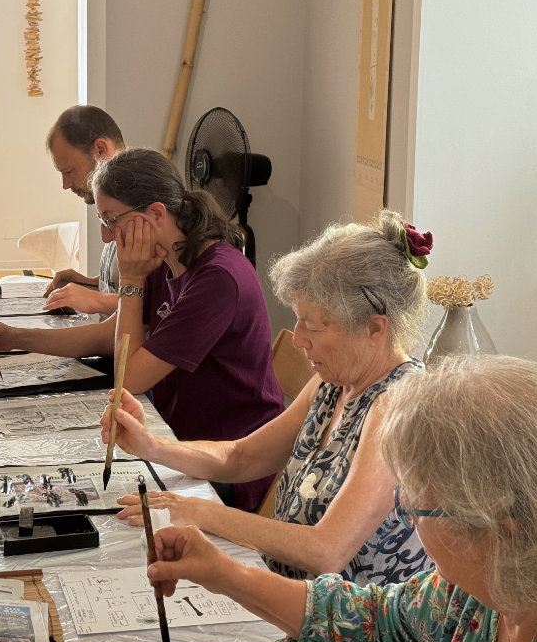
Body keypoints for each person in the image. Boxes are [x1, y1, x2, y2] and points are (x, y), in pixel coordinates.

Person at [145, 355, 537, 642]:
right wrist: (222, 572)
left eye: (414, 505)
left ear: (496, 532)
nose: (404, 514)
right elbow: (376, 622)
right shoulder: (484, 589)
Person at [103, 210, 433, 585]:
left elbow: (326, 550)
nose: (298, 338)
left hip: (351, 629)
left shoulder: (399, 405)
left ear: (374, 328)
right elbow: (241, 457)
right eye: (298, 320)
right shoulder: (337, 381)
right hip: (290, 597)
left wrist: (198, 512)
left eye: (314, 324)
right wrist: (151, 445)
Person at [0, 148, 284, 511]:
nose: (107, 236)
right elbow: (110, 336)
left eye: (112, 220)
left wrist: (132, 279)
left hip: (227, 466)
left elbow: (129, 379)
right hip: (174, 437)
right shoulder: (165, 256)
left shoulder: (217, 278)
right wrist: (14, 338)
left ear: (155, 213)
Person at [41, 105, 125, 316]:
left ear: (100, 151)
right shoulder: (114, 203)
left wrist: (95, 300)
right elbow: (125, 288)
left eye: (69, 171)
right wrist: (87, 285)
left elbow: (154, 306)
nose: (65, 184)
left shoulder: (141, 209)